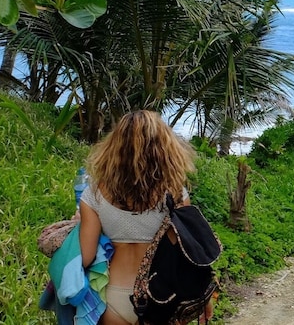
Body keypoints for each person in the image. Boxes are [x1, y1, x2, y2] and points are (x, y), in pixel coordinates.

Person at [79, 110, 211, 325]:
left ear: (115, 146)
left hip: (112, 295)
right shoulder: (176, 195)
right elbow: (189, 256)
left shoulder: (93, 195)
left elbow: (85, 258)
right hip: (161, 296)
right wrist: (204, 299)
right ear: (163, 148)